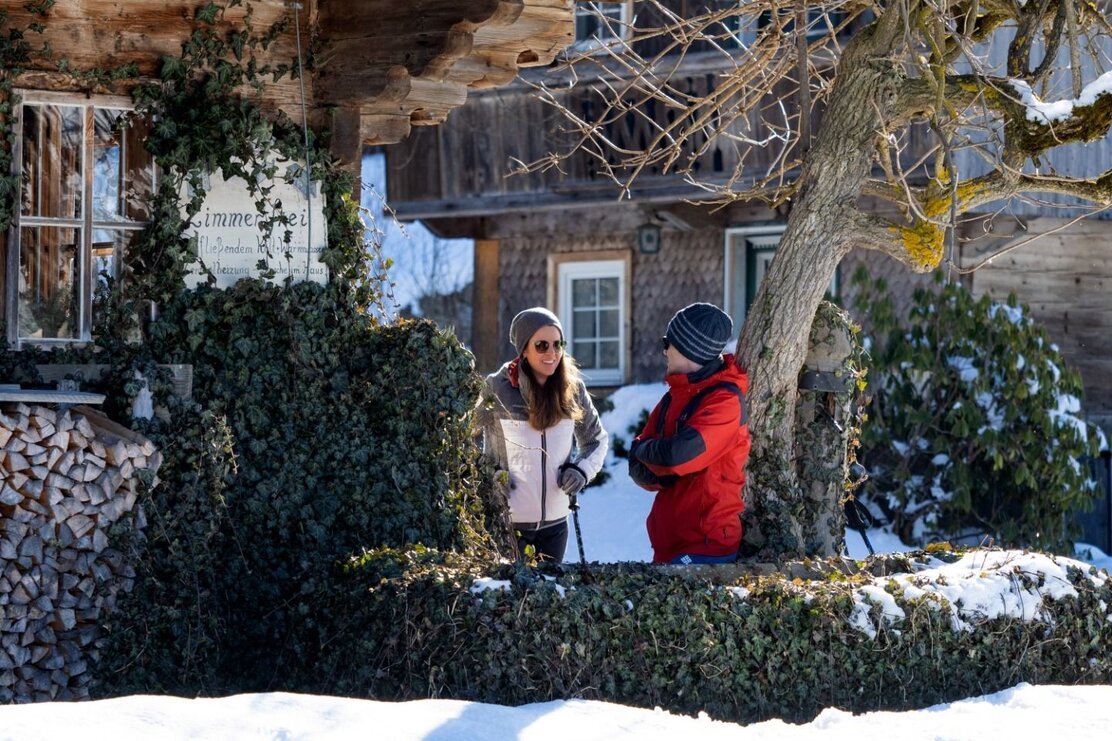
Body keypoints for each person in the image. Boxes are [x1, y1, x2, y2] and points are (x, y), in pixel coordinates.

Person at [475, 307, 609, 562]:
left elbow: (596, 441)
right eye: (542, 345)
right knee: (511, 600)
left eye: (558, 344)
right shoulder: (496, 389)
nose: (552, 353)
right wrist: (489, 477)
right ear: (524, 349)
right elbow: (465, 438)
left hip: (556, 526)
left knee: (550, 599)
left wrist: (580, 471)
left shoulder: (572, 389)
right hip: (507, 524)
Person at [628, 302, 750, 565]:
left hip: (706, 547)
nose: (664, 351)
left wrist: (650, 455)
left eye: (667, 342)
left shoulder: (724, 401)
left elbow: (677, 457)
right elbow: (639, 468)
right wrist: (656, 461)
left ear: (687, 350)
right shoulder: (673, 397)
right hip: (670, 545)